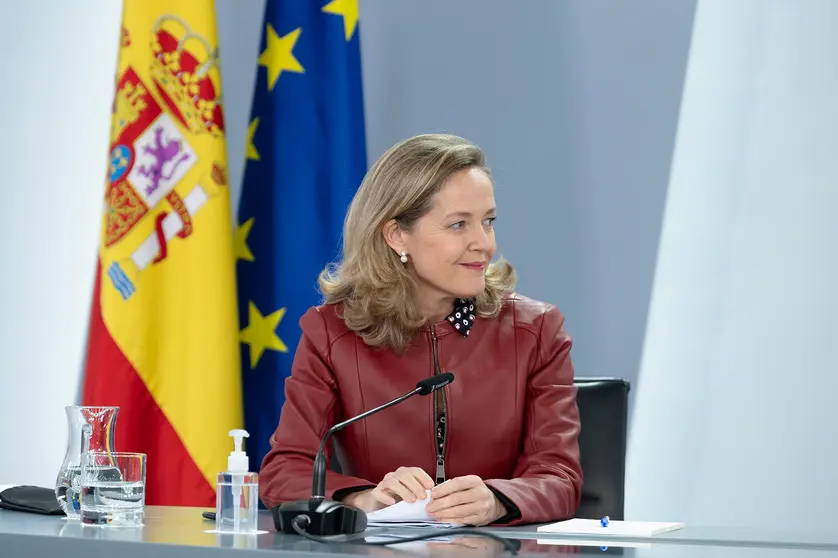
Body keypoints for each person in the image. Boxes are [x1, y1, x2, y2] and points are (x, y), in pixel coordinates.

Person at [259, 133, 582, 526]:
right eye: (458, 225)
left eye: (488, 222)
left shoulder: (535, 330)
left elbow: (560, 479)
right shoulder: (331, 333)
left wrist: (497, 499)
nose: (484, 244)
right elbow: (285, 471)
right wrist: (365, 497)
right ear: (397, 235)